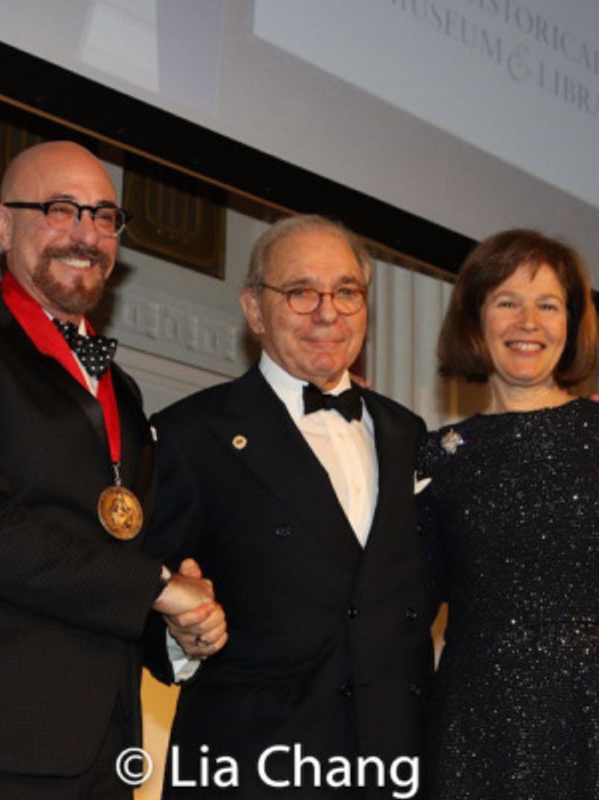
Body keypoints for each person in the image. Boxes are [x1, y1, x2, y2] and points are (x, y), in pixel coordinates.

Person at [0, 140, 226, 799]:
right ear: (2, 223)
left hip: (107, 753)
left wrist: (180, 628)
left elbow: (124, 549)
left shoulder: (120, 389)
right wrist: (156, 585)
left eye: (104, 216)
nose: (86, 234)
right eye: (61, 209)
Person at [418, 228, 599, 800]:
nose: (528, 321)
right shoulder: (438, 455)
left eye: (547, 305)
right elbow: (404, 606)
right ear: (475, 322)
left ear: (570, 323)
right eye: (507, 302)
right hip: (476, 737)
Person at [144, 215, 433, 799]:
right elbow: (134, 597)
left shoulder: (410, 435)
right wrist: (181, 633)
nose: (328, 312)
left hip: (393, 771)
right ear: (254, 309)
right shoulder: (190, 434)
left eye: (346, 291)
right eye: (301, 292)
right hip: (251, 772)